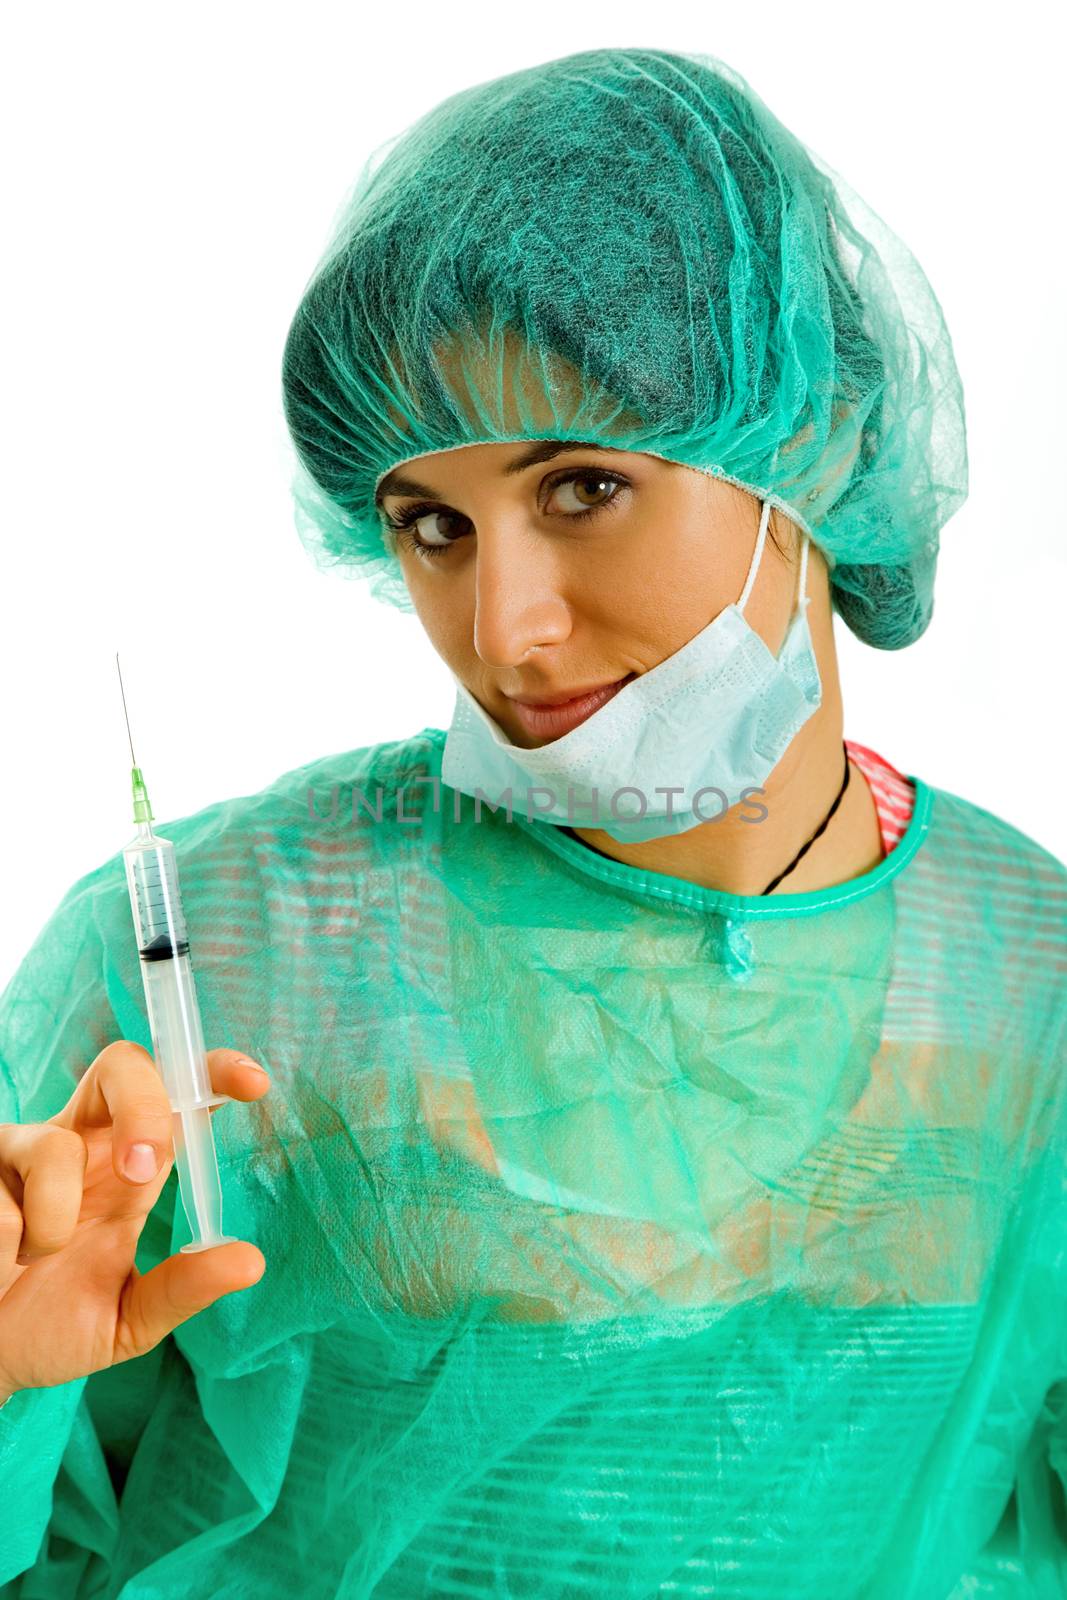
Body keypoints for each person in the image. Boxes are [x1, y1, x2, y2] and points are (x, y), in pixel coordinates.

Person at [1, 44, 1064, 1600]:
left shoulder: (1030, 988)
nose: (502, 629)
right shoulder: (218, 961)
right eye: (432, 525)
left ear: (818, 442)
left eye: (579, 490)